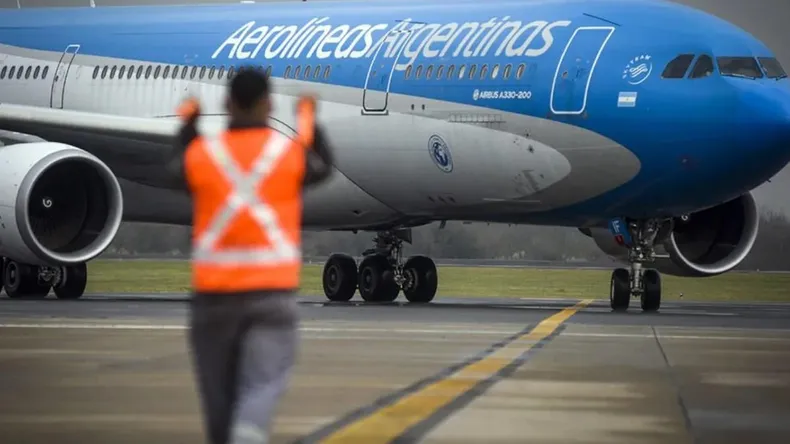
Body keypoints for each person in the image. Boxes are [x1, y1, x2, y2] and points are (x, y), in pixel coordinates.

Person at [165, 66, 334, 444]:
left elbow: (175, 170)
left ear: (226, 103)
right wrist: (308, 119)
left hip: (213, 299)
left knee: (217, 398)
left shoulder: (204, 153)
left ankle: (234, 434)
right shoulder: (286, 153)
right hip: (271, 294)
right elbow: (322, 165)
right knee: (263, 382)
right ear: (268, 104)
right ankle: (249, 432)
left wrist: (188, 125)